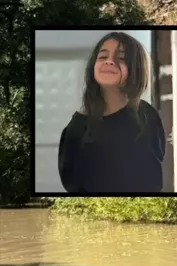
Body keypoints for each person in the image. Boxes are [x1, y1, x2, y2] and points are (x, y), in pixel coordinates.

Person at [57, 32, 166, 193]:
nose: (109, 62)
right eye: (102, 57)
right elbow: (72, 183)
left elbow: (154, 174)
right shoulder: (77, 128)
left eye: (121, 58)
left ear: (136, 68)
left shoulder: (147, 115)